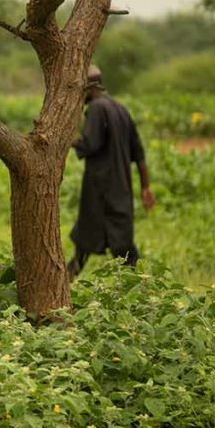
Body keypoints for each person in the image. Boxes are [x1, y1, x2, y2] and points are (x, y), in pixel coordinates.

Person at [68, 64, 155, 278]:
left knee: (87, 246)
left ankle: (62, 285)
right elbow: (139, 152)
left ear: (86, 87)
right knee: (122, 249)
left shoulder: (97, 109)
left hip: (100, 191)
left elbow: (89, 144)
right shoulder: (120, 108)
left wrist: (68, 137)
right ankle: (139, 292)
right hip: (121, 190)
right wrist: (145, 187)